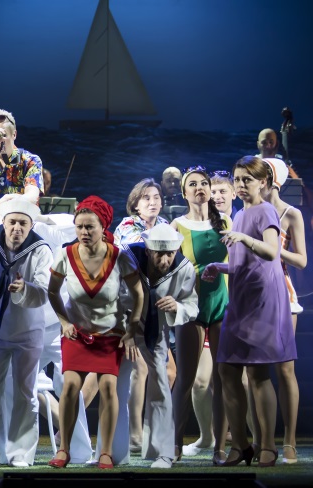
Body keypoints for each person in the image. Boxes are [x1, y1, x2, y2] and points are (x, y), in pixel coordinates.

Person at [202, 156, 296, 468]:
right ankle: (241, 444)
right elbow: (243, 263)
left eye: (247, 179)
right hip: (241, 299)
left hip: (262, 299)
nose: (241, 185)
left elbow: (271, 251)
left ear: (263, 182)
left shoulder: (265, 210)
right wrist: (219, 266)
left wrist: (243, 237)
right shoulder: (240, 214)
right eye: (238, 179)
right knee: (227, 370)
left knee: (257, 373)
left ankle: (267, 445)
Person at [46, 195, 143, 470]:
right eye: (79, 227)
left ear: (103, 228)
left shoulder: (118, 256)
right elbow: (52, 292)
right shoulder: (66, 255)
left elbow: (139, 293)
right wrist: (64, 322)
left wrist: (132, 329)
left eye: (90, 227)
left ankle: (106, 452)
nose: (84, 232)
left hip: (110, 334)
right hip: (77, 333)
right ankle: (64, 449)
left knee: (108, 387)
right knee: (70, 387)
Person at [0, 196, 56, 468]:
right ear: (3, 222)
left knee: (25, 392)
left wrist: (25, 289)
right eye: (12, 222)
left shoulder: (40, 249)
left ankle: (21, 453)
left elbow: (44, 290)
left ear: (31, 225)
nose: (16, 229)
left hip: (27, 330)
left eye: (23, 223)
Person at [170, 166, 231, 465]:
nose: (199, 188)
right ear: (184, 193)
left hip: (221, 305)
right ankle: (174, 444)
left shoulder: (225, 222)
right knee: (186, 378)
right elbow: (166, 268)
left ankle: (219, 448)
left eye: (204, 183)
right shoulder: (176, 225)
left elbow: (238, 261)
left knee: (222, 379)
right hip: (191, 306)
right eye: (192, 184)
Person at [124, 224, 198, 468]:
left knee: (161, 385)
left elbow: (192, 304)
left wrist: (177, 306)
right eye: (159, 254)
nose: (165, 260)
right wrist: (125, 329)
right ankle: (112, 449)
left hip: (155, 331)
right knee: (114, 384)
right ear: (148, 251)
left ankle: (162, 450)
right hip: (121, 325)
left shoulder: (184, 268)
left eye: (170, 254)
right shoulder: (128, 259)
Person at [111, 178, 169, 455]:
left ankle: (151, 432)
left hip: (155, 307)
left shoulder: (165, 225)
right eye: (146, 198)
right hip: (127, 306)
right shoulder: (127, 226)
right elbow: (142, 255)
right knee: (135, 369)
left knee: (163, 371)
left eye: (156, 197)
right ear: (135, 204)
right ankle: (134, 433)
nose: (152, 202)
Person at [260, 158, 306, 464]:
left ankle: (289, 440)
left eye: (258, 177)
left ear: (271, 180)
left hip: (283, 294)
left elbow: (301, 260)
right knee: (257, 371)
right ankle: (264, 440)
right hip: (253, 295)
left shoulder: (291, 214)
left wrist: (274, 249)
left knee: (285, 368)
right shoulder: (248, 212)